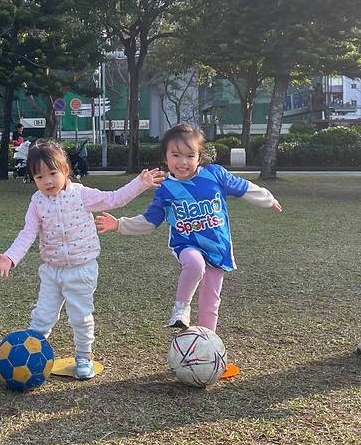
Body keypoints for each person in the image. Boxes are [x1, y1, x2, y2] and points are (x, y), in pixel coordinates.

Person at [0, 139, 164, 380]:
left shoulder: (81, 195)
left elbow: (115, 199)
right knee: (42, 317)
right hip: (51, 271)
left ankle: (84, 356)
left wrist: (140, 183)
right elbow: (27, 234)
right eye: (39, 177)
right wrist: (10, 258)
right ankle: (29, 355)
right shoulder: (37, 203)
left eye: (52, 173)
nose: (47, 181)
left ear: (65, 171)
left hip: (82, 270)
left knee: (80, 318)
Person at [96, 123, 282, 333]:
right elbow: (150, 220)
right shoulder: (166, 189)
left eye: (189, 156)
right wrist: (120, 224)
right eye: (175, 155)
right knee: (195, 265)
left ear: (199, 158)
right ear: (165, 159)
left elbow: (244, 187)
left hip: (217, 248)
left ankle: (207, 343)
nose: (182, 162)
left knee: (211, 302)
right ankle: (181, 309)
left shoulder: (215, 175)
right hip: (186, 245)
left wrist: (268, 198)